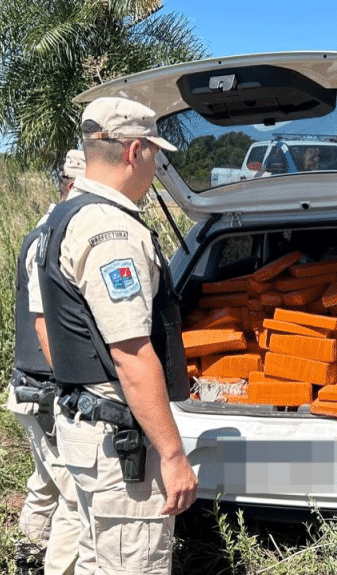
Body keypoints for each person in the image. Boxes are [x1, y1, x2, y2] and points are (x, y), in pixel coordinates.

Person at [35, 96, 197, 575]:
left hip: (87, 429)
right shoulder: (111, 231)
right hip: (119, 445)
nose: (155, 163)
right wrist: (172, 455)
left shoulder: (63, 218)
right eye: (153, 152)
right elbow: (130, 352)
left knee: (97, 560)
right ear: (134, 152)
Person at [8, 149, 85, 574]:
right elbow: (44, 323)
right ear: (74, 185)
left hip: (30, 384)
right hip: (45, 386)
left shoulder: (41, 230)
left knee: (45, 481)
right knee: (76, 495)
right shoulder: (58, 235)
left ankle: (27, 558)